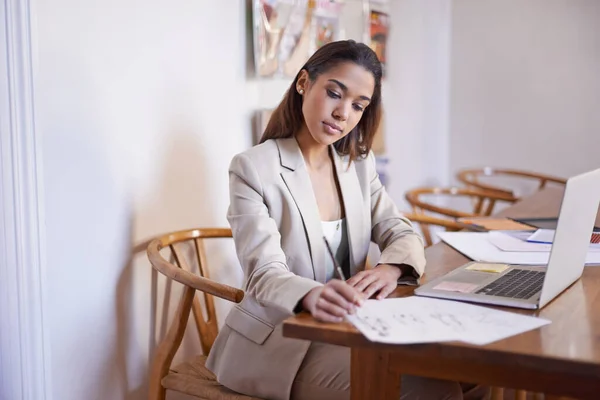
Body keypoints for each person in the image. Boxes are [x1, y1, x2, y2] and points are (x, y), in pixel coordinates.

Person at [206, 40, 489, 400]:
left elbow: (399, 230)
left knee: (469, 375)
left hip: (351, 328)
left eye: (358, 105)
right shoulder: (254, 168)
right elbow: (263, 274)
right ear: (303, 82)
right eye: (335, 94)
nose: (343, 113)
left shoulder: (356, 163)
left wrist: (390, 268)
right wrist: (311, 294)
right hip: (284, 344)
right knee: (431, 390)